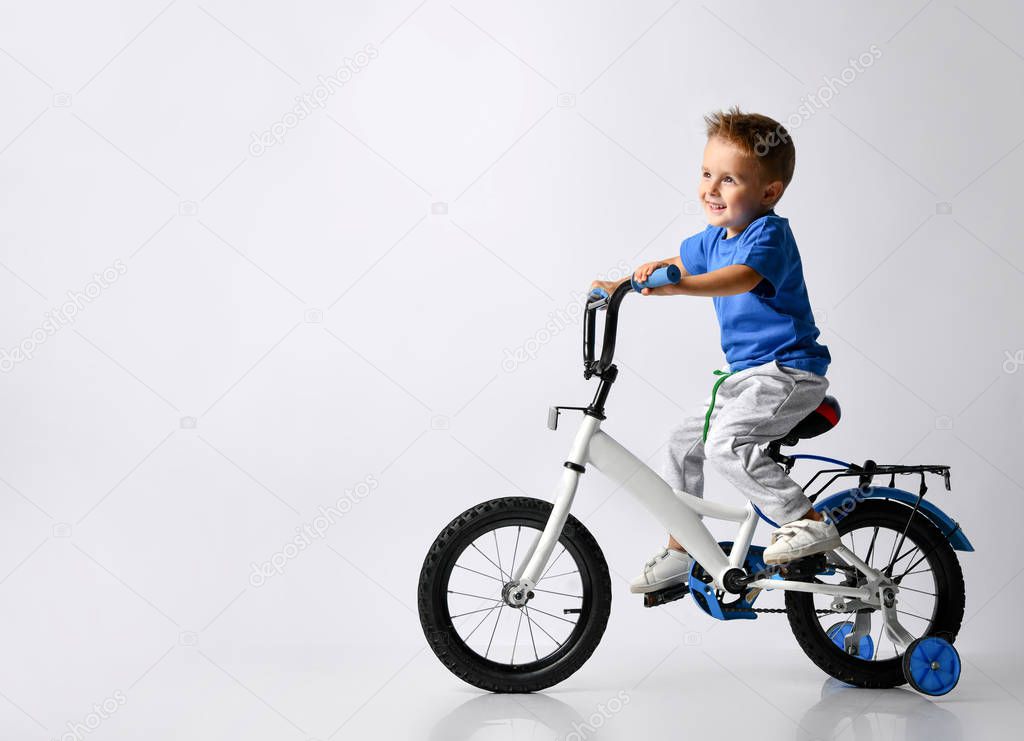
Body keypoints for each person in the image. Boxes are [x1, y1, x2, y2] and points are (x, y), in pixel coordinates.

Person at [589, 107, 838, 594]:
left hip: (789, 374)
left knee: (726, 444)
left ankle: (807, 521)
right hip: (743, 377)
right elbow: (674, 263)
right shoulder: (711, 240)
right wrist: (620, 284)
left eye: (729, 179)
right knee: (683, 443)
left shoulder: (768, 234)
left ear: (768, 192)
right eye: (707, 174)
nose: (711, 189)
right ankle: (685, 551)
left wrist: (682, 288)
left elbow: (741, 277)